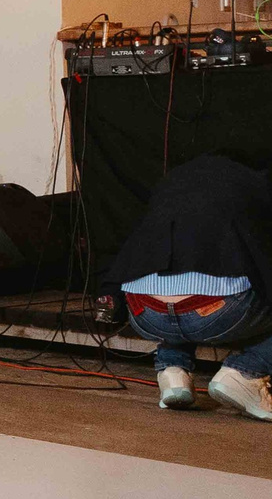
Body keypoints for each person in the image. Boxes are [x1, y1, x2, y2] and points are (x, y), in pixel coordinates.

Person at [106, 153, 272, 419]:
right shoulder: (253, 189)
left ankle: (173, 372)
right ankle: (244, 372)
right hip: (216, 313)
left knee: (171, 296)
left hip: (144, 313)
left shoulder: (170, 188)